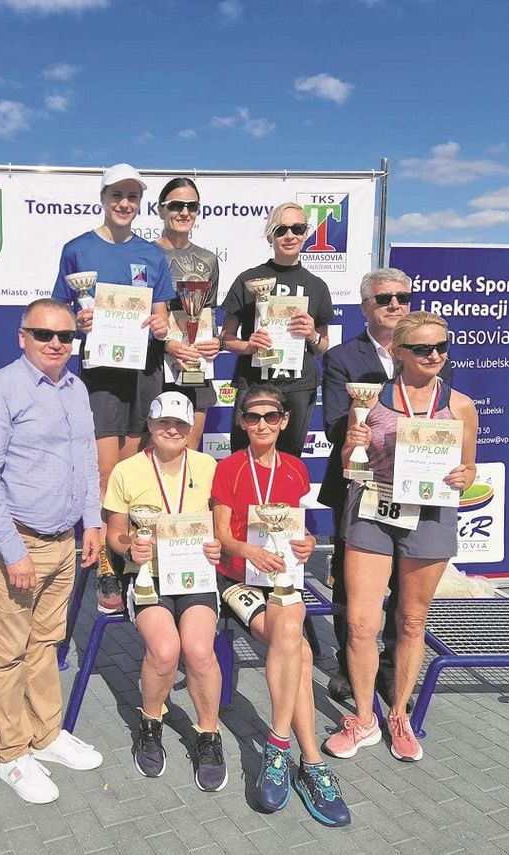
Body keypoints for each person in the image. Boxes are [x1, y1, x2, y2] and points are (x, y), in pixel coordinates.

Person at [0, 298, 105, 804]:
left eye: (66, 337)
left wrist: (93, 522)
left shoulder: (75, 387)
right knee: (7, 655)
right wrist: (12, 552)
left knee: (46, 643)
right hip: (16, 541)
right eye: (44, 334)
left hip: (64, 538)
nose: (56, 344)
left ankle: (46, 735)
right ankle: (12, 753)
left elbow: (86, 460)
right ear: (21, 336)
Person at [324, 312, 478, 763]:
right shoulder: (370, 399)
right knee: (360, 625)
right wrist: (352, 443)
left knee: (411, 622)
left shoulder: (461, 405)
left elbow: (468, 470)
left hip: (429, 515)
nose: (435, 356)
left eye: (441, 347)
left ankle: (397, 716)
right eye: (423, 348)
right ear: (398, 352)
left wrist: (462, 475)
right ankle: (364, 717)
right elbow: (347, 469)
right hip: (374, 509)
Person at [211, 384, 351, 826]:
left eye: (271, 417)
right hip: (238, 579)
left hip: (282, 577)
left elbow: (298, 530)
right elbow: (222, 537)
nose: (262, 425)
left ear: (285, 421)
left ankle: (280, 747)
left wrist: (308, 543)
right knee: (301, 649)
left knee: (292, 640)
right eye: (253, 417)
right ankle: (311, 761)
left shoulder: (294, 469)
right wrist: (246, 551)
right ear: (242, 422)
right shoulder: (228, 468)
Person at [318, 269, 452, 708]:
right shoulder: (342, 358)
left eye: (402, 297)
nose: (394, 304)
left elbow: (445, 422)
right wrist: (376, 431)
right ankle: (348, 665)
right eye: (384, 299)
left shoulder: (432, 357)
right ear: (366, 308)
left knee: (406, 590)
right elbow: (338, 422)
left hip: (418, 493)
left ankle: (394, 669)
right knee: (351, 589)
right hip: (364, 486)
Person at [52, 163, 174, 615]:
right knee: (105, 475)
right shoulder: (77, 250)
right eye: (116, 195)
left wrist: (161, 323)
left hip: (144, 372)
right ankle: (105, 564)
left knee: (135, 474)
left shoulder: (153, 254)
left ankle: (132, 565)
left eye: (132, 196)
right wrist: (76, 322)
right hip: (101, 373)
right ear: (103, 197)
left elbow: (161, 317)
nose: (124, 203)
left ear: (140, 201)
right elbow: (61, 313)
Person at [102, 391, 227, 791]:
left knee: (199, 650)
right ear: (150, 426)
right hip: (147, 576)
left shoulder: (209, 466)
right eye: (163, 423)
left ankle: (209, 734)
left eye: (180, 424)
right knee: (164, 650)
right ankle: (150, 722)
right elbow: (114, 533)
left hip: (195, 575)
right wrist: (128, 546)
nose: (172, 429)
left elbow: (225, 526)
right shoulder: (127, 470)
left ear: (191, 428)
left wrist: (218, 545)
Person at [219, 202, 333, 456]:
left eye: (297, 228)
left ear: (306, 233)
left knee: (289, 458)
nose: (289, 236)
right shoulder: (248, 279)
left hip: (298, 385)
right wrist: (249, 345)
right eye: (281, 230)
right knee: (243, 456)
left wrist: (313, 335)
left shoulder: (317, 286)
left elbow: (324, 345)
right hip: (253, 381)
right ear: (270, 235)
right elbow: (226, 339)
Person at [154, 177, 221, 450]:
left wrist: (213, 341)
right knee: (150, 457)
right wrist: (166, 345)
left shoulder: (208, 259)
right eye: (176, 205)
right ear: (160, 210)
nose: (184, 212)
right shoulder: (144, 254)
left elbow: (209, 311)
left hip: (195, 366)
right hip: (153, 368)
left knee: (189, 456)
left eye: (191, 206)